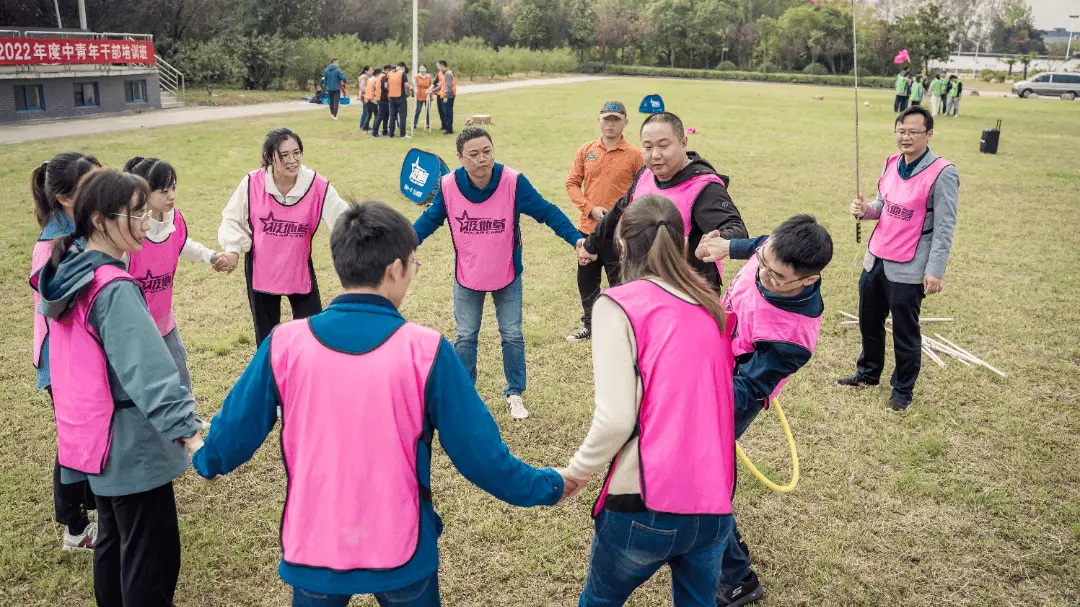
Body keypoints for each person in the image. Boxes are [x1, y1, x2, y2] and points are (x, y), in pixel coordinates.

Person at [192, 201, 579, 607]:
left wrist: (208, 458)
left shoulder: (285, 343)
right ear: (395, 269)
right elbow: (480, 455)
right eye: (413, 264)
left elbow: (234, 429)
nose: (412, 274)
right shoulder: (426, 350)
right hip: (402, 543)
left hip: (315, 542)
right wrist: (547, 485)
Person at [37, 168, 205, 606]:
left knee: (115, 545)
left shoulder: (71, 269)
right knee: (151, 559)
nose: (146, 224)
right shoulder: (113, 288)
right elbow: (151, 374)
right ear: (99, 221)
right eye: (135, 214)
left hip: (93, 441)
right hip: (131, 447)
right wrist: (190, 431)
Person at [560, 195, 736, 607]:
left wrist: (576, 472)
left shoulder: (617, 304)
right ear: (682, 240)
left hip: (645, 500)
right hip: (714, 504)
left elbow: (615, 418)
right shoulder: (711, 304)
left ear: (621, 243)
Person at [694, 215, 833, 607]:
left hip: (735, 388)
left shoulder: (792, 335)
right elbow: (759, 244)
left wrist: (695, 397)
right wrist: (728, 248)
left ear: (807, 280)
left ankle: (737, 579)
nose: (764, 274)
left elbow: (749, 386)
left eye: (776, 278)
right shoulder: (773, 252)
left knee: (704, 480)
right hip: (718, 359)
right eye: (764, 264)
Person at [412, 127, 583, 420]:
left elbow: (547, 211)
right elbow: (429, 221)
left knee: (512, 334)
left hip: (507, 273)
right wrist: (401, 246)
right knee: (466, 336)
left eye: (487, 152)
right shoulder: (448, 185)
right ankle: (465, 395)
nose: (482, 159)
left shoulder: (513, 182)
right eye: (474, 154)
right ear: (460, 157)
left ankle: (515, 392)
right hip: (468, 275)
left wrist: (577, 239)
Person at [839, 106, 960, 411]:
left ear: (929, 135)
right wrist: (866, 211)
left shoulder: (943, 173)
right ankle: (867, 373)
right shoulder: (891, 162)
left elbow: (944, 227)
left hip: (909, 265)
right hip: (876, 257)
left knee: (906, 332)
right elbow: (883, 203)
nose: (905, 137)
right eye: (901, 131)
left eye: (913, 132)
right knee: (869, 322)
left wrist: (935, 271)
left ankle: (902, 389)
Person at [579, 111, 748, 293]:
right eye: (648, 147)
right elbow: (618, 211)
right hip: (646, 283)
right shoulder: (645, 174)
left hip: (688, 291)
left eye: (664, 146)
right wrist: (590, 246)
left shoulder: (704, 187)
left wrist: (719, 239)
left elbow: (736, 229)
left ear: (683, 143)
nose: (655, 155)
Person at [28, 151, 102, 553]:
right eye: (91, 186)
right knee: (73, 441)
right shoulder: (50, 247)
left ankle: (94, 508)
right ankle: (74, 528)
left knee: (88, 435)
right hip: (62, 360)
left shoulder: (80, 226)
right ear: (65, 197)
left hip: (80, 356)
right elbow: (61, 309)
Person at [217, 127, 350, 345]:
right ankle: (270, 376)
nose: (292, 160)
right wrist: (233, 249)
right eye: (284, 155)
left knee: (312, 335)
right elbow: (232, 219)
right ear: (269, 158)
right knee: (267, 340)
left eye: (296, 153)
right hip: (262, 271)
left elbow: (343, 219)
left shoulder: (316, 185)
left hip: (298, 268)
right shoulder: (252, 183)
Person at [124, 156, 229, 430]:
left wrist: (210, 256)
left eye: (173, 187)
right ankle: (149, 429)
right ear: (143, 192)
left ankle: (187, 420)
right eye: (164, 190)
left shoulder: (174, 218)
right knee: (143, 381)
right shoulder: (129, 231)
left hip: (163, 318)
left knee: (179, 368)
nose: (172, 195)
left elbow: (182, 244)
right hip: (136, 328)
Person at [564, 100, 643, 342]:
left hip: (619, 233)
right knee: (586, 280)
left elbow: (642, 191)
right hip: (588, 229)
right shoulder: (586, 150)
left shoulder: (635, 156)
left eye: (616, 120)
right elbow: (572, 184)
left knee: (619, 281)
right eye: (606, 119)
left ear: (625, 123)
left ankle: (623, 327)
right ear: (599, 121)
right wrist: (590, 209)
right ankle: (590, 324)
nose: (610, 124)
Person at [387, 62, 412, 139]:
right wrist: (409, 92)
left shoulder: (389, 73)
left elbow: (386, 85)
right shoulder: (402, 73)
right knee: (402, 116)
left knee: (392, 116)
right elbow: (406, 85)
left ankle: (391, 134)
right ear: (403, 68)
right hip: (401, 97)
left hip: (391, 97)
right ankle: (402, 134)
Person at [432, 59, 456, 135]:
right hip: (445, 96)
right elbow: (442, 86)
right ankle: (448, 128)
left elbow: (449, 86)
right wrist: (432, 90)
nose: (438, 68)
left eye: (438, 66)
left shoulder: (448, 74)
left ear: (442, 66)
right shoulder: (444, 74)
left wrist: (446, 96)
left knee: (448, 113)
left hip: (448, 97)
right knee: (445, 113)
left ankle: (449, 130)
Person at [373, 64, 392, 138]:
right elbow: (385, 86)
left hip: (381, 98)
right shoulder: (384, 76)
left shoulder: (379, 76)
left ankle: (385, 131)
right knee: (381, 115)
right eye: (390, 71)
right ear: (387, 70)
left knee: (386, 115)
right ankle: (375, 132)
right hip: (382, 98)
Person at [413, 63, 433, 131]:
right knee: (418, 110)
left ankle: (428, 124)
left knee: (428, 110)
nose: (421, 70)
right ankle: (414, 124)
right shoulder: (417, 77)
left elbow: (431, 85)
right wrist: (415, 89)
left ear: (426, 69)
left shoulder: (429, 76)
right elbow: (415, 85)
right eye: (420, 68)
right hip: (420, 95)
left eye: (423, 68)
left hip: (427, 94)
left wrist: (431, 95)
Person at [362, 67, 381, 134]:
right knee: (376, 115)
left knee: (369, 115)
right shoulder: (376, 80)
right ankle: (374, 130)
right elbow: (376, 89)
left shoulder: (370, 79)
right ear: (378, 74)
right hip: (372, 99)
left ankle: (364, 128)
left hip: (367, 98)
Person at [357, 66, 372, 132]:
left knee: (368, 111)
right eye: (370, 70)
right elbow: (362, 87)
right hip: (364, 95)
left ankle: (366, 125)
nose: (372, 71)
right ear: (366, 71)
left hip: (366, 95)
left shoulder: (366, 77)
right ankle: (362, 126)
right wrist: (370, 90)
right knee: (365, 112)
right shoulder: (364, 77)